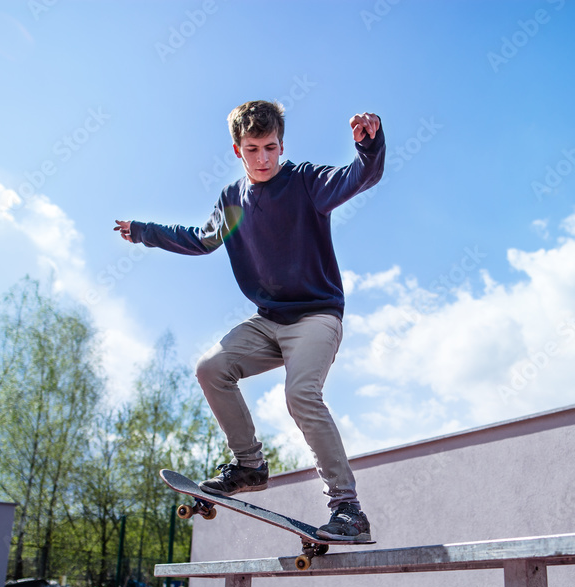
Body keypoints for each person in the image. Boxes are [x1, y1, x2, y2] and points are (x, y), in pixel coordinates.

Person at [114, 100, 384, 542]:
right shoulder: (232, 199)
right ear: (238, 150)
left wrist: (369, 147)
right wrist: (145, 231)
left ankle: (348, 509)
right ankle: (249, 465)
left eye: (271, 148)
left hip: (316, 316)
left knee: (300, 394)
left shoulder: (306, 182)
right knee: (211, 368)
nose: (262, 159)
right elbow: (201, 240)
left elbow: (360, 177)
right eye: (253, 149)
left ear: (282, 146)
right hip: (267, 322)